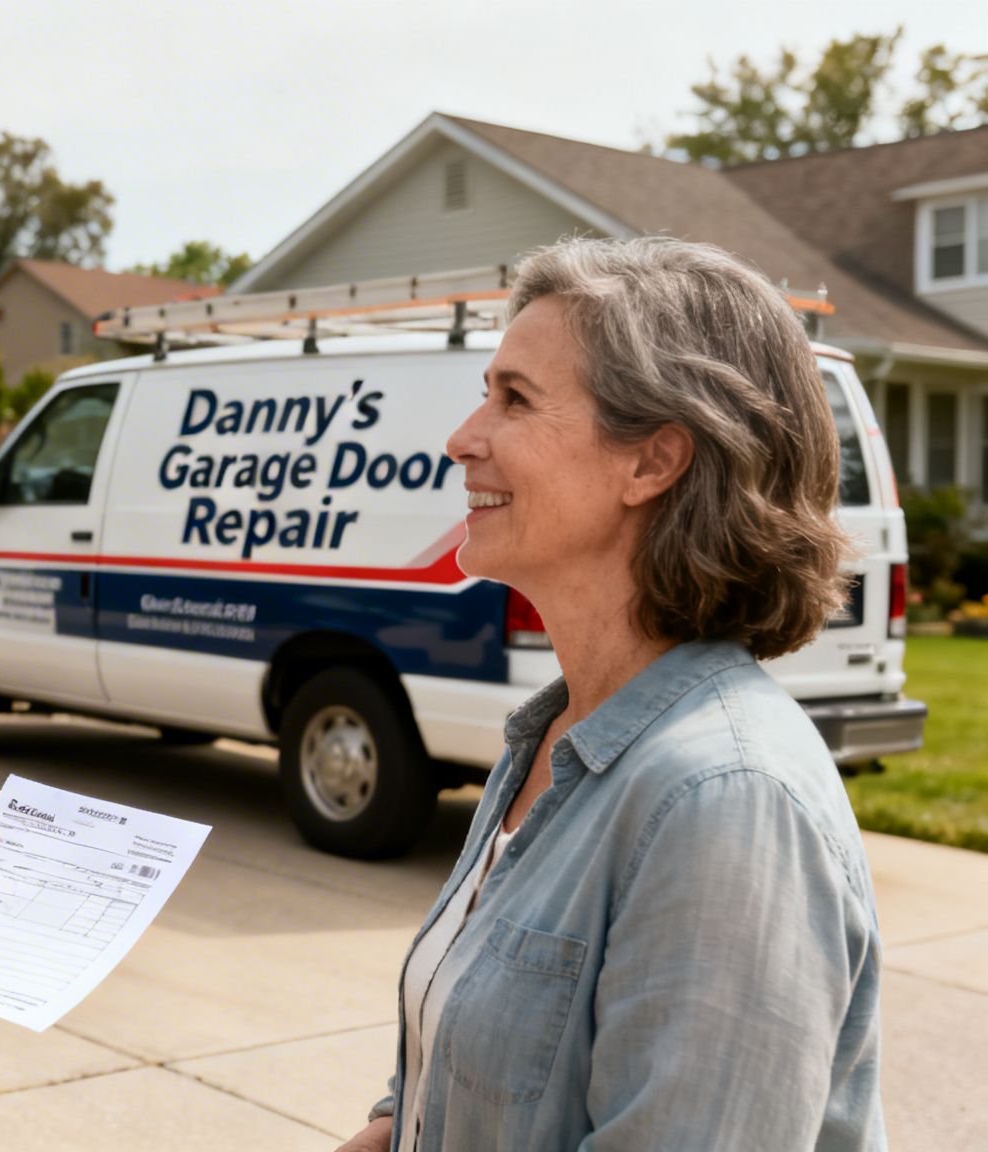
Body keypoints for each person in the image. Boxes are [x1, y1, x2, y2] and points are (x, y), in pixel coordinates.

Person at [334, 236, 883, 1151]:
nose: (462, 439)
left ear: (653, 462)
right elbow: (453, 1081)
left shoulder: (727, 803)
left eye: (514, 399)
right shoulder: (550, 739)